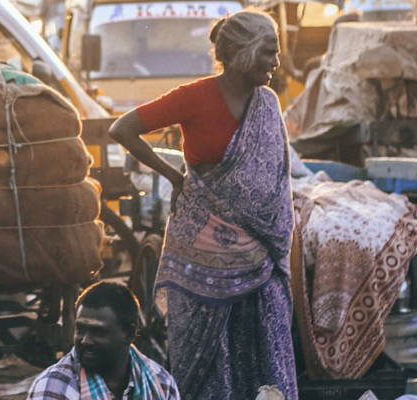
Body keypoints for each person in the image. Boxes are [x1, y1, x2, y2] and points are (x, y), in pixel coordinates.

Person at [107, 10, 297, 400]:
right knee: (207, 355)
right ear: (241, 51)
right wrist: (174, 175)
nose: (276, 63)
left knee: (265, 348)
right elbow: (121, 128)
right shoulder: (194, 96)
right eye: (268, 52)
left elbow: (278, 178)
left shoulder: (268, 102)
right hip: (201, 247)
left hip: (261, 250)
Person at [28, 281, 179, 400]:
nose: (85, 341)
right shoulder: (54, 388)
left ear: (129, 334)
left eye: (98, 332)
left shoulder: (162, 383)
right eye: (80, 329)